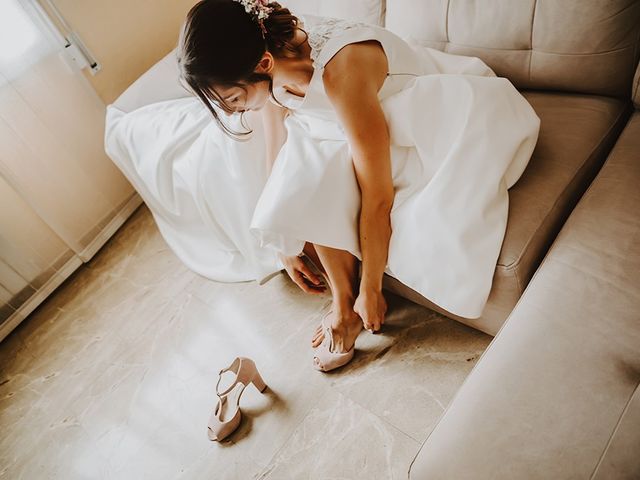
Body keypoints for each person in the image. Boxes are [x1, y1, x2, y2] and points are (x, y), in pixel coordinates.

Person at [177, 0, 540, 372]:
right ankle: (342, 305)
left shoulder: (341, 72)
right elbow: (279, 138)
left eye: (234, 99)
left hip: (422, 121)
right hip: (351, 128)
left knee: (344, 178)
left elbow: (378, 198)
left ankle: (351, 300)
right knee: (302, 171)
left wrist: (372, 287)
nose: (236, 111)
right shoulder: (267, 49)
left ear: (263, 65)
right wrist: (283, 235)